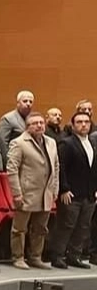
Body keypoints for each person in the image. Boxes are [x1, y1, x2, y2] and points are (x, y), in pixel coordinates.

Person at [5, 113, 58, 270]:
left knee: (41, 228)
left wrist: (55, 188)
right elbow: (12, 169)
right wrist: (16, 193)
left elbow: (56, 167)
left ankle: (36, 257)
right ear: (27, 127)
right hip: (26, 192)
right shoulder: (19, 143)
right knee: (20, 228)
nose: (39, 125)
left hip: (46, 192)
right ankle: (18, 257)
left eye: (41, 122)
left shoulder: (51, 142)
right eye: (35, 123)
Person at [47, 112, 97, 269]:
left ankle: (74, 256)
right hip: (70, 193)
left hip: (89, 194)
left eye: (86, 122)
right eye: (79, 122)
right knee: (65, 225)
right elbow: (60, 167)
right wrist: (64, 189)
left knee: (83, 226)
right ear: (73, 125)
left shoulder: (92, 144)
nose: (84, 125)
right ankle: (57, 255)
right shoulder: (66, 143)